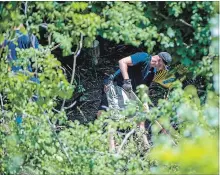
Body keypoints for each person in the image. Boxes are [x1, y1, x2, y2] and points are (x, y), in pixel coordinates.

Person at [97, 51, 172, 117]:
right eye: (163, 67)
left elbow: (144, 88)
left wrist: (145, 103)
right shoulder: (144, 57)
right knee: (104, 110)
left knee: (116, 115)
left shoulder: (152, 72)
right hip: (115, 84)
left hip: (124, 92)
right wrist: (127, 81)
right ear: (160, 60)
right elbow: (122, 62)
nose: (162, 69)